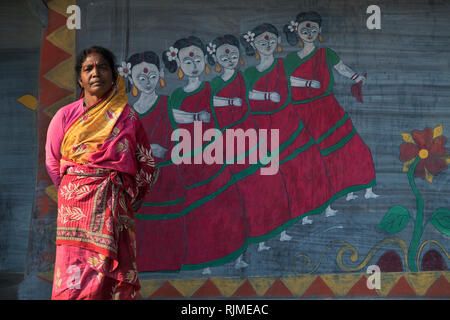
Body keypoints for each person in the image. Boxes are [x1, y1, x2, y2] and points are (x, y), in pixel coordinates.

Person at [45, 46, 157, 300]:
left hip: (115, 208)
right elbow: (53, 163)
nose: (95, 72)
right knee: (73, 281)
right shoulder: (65, 116)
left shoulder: (128, 117)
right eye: (88, 68)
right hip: (74, 213)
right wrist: (74, 192)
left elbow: (146, 163)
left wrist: (125, 198)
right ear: (80, 79)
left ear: (113, 75)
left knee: (110, 281)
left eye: (102, 66)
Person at [239, 23, 334, 251]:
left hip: (287, 123)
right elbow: (247, 100)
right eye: (262, 42)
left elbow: (283, 95)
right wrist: (264, 96)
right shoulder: (250, 73)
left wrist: (264, 96)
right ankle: (276, 228)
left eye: (272, 40)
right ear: (254, 45)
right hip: (262, 129)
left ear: (278, 42)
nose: (268, 45)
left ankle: (310, 211)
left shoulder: (284, 65)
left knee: (303, 166)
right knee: (273, 181)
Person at [162, 36, 247, 273]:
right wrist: (198, 117)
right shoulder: (177, 95)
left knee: (228, 204)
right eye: (187, 61)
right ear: (178, 64)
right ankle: (205, 261)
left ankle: (237, 254)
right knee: (201, 211)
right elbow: (175, 119)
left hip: (215, 153)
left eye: (197, 59)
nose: (194, 65)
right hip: (190, 158)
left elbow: (225, 107)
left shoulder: (211, 87)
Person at [283, 11, 378, 220]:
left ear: (320, 32)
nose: (309, 33)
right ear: (297, 31)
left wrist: (356, 77)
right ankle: (322, 203)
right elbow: (284, 84)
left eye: (313, 29)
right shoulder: (290, 59)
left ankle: (361, 186)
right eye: (304, 29)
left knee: (349, 145)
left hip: (326, 108)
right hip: (301, 112)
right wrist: (305, 84)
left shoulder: (326, 53)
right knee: (315, 157)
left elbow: (341, 68)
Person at [119, 51, 187, 272]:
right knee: (142, 228)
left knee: (169, 225)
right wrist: (146, 151)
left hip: (167, 178)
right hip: (140, 183)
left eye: (152, 76)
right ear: (132, 80)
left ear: (160, 75)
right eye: (141, 78)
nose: (148, 82)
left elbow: (182, 139)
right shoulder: (127, 113)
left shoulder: (168, 104)